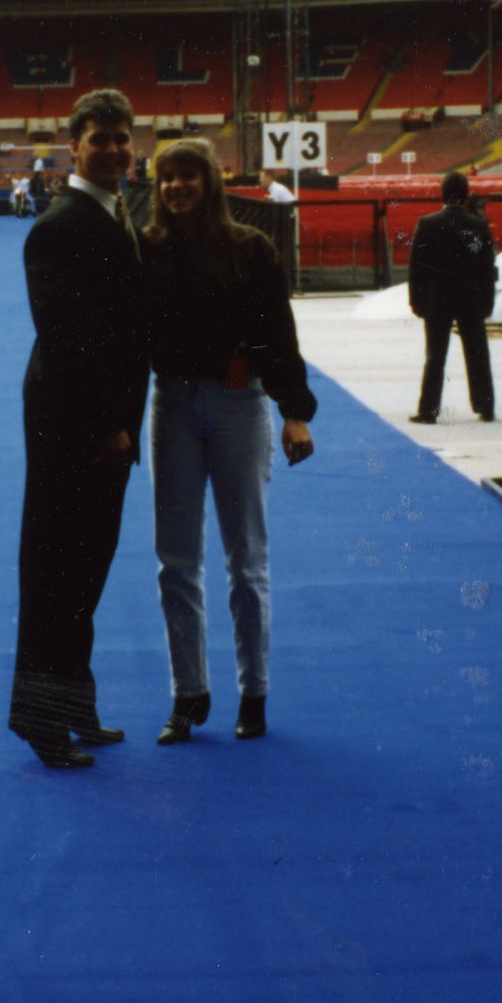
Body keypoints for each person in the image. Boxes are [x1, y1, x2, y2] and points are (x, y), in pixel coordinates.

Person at [141, 137, 315, 745]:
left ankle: (254, 692)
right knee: (175, 561)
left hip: (241, 405)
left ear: (210, 181)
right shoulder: (146, 250)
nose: (177, 187)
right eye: (167, 177)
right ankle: (187, 694)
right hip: (171, 406)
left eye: (188, 175)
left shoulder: (251, 248)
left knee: (246, 558)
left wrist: (295, 411)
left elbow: (279, 335)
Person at [8, 89, 149, 771]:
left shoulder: (116, 211)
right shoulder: (61, 224)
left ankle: (74, 708)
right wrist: (109, 426)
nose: (114, 150)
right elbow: (66, 339)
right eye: (100, 139)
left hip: (102, 425)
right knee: (56, 573)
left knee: (85, 570)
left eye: (122, 138)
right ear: (73, 147)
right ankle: (40, 721)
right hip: (76, 427)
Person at [406, 169, 498, 424]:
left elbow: (417, 268)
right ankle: (485, 406)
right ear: (466, 195)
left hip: (437, 299)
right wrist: (488, 301)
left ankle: (428, 410)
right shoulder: (478, 225)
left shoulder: (427, 224)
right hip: (471, 299)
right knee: (478, 354)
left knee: (435, 356)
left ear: (442, 194)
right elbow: (486, 268)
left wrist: (416, 301)